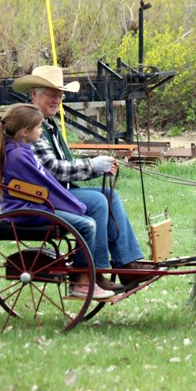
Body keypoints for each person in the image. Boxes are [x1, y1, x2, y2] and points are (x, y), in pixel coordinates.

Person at [12, 65, 146, 291]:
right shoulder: (31, 127)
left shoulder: (48, 125)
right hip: (42, 197)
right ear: (34, 94)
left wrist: (96, 167)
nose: (56, 100)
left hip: (56, 192)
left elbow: (64, 164)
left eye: (59, 95)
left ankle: (126, 263)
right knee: (98, 201)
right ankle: (94, 271)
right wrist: (93, 164)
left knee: (109, 195)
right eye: (50, 95)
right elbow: (54, 169)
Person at [0, 103, 114, 300]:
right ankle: (82, 283)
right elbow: (47, 186)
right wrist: (73, 204)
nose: (40, 132)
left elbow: (45, 183)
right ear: (25, 132)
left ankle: (91, 274)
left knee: (91, 212)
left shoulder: (21, 150)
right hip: (27, 212)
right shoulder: (19, 155)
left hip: (33, 206)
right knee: (87, 225)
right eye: (38, 128)